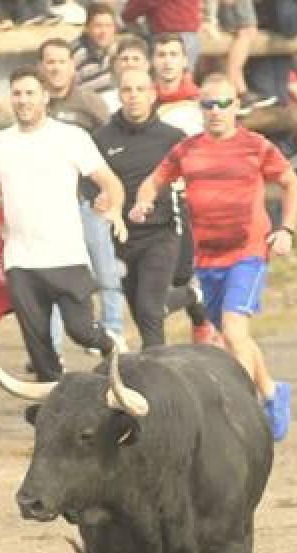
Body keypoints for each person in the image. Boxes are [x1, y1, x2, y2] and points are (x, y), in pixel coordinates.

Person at [132, 74, 297, 442]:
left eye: (224, 103)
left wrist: (286, 229)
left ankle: (237, 412)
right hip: (208, 258)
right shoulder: (187, 149)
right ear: (200, 109)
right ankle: (273, 392)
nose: (216, 112)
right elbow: (153, 180)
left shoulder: (255, 146)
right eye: (208, 104)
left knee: (235, 331)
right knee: (231, 336)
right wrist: (144, 201)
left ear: (237, 106)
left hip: (249, 253)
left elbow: (291, 182)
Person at [0, 66, 126, 383]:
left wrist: (113, 208)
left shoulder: (70, 137)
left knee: (82, 332)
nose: (23, 100)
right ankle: (53, 405)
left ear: (45, 97)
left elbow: (110, 182)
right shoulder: (1, 142)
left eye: (30, 93)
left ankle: (111, 348)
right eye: (17, 94)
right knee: (38, 347)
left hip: (66, 256)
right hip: (20, 260)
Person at [93, 68, 201, 349]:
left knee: (150, 309)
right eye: (127, 90)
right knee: (143, 313)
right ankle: (190, 296)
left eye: (141, 90)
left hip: (162, 232)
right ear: (119, 95)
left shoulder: (173, 137)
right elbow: (89, 182)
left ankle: (156, 379)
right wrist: (97, 198)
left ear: (153, 95)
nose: (134, 97)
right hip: (122, 237)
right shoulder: (102, 139)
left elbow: (194, 185)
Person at [38, 38, 123, 345]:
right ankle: (52, 346)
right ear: (41, 67)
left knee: (104, 270)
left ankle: (112, 331)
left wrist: (108, 192)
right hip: (50, 208)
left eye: (61, 61)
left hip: (88, 202)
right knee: (52, 275)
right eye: (50, 62)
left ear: (72, 66)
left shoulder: (90, 102)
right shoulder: (36, 106)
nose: (56, 67)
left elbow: (113, 147)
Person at [120, 0, 201, 69]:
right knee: (182, 79)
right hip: (189, 35)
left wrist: (127, 14)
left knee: (167, 80)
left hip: (170, 35)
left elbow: (143, 3)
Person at [71, 2, 116, 98]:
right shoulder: (76, 54)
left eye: (108, 26)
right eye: (98, 26)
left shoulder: (116, 50)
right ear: (87, 28)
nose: (104, 31)